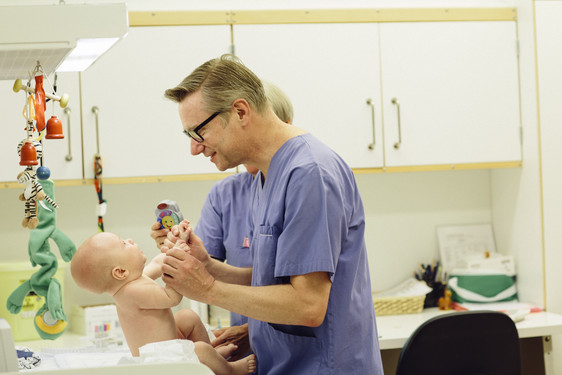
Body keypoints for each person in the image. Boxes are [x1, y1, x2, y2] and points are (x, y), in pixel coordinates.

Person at [160, 54, 383, 374]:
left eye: (198, 132)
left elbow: (308, 305)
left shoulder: (309, 173)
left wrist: (207, 287)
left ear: (239, 111)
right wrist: (208, 266)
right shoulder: (268, 175)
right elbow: (273, 278)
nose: (195, 148)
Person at [150, 80, 294, 360]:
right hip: (257, 344)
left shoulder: (304, 180)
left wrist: (254, 326)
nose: (196, 148)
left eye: (200, 132)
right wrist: (187, 256)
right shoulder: (229, 193)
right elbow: (262, 278)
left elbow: (305, 298)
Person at [70, 230, 256, 375]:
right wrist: (180, 267)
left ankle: (213, 356)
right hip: (162, 360)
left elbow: (159, 263)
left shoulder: (131, 281)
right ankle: (230, 370)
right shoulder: (131, 292)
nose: (130, 240)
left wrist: (177, 245)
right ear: (120, 272)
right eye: (124, 244)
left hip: (171, 344)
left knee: (187, 317)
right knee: (199, 349)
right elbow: (172, 298)